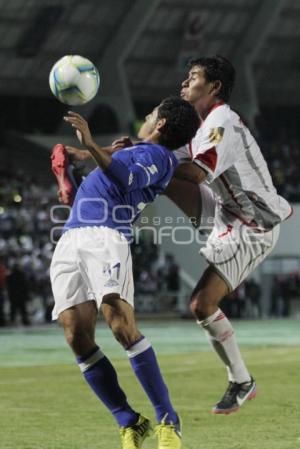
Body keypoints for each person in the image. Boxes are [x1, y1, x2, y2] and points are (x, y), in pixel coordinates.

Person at [50, 96, 199, 449]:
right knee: (76, 336)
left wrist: (88, 144)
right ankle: (129, 421)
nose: (145, 118)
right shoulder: (133, 148)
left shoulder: (159, 158)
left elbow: (126, 175)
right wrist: (80, 159)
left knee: (120, 324)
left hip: (106, 235)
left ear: (161, 124)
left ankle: (168, 420)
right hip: (71, 236)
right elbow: (117, 159)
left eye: (150, 114)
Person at [164, 55, 293, 414]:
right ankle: (242, 380)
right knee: (158, 175)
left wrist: (149, 161)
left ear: (215, 86)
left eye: (193, 77)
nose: (184, 83)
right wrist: (106, 154)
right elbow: (168, 158)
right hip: (227, 213)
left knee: (201, 304)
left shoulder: (222, 122)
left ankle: (241, 380)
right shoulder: (201, 126)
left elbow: (195, 174)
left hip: (254, 225)